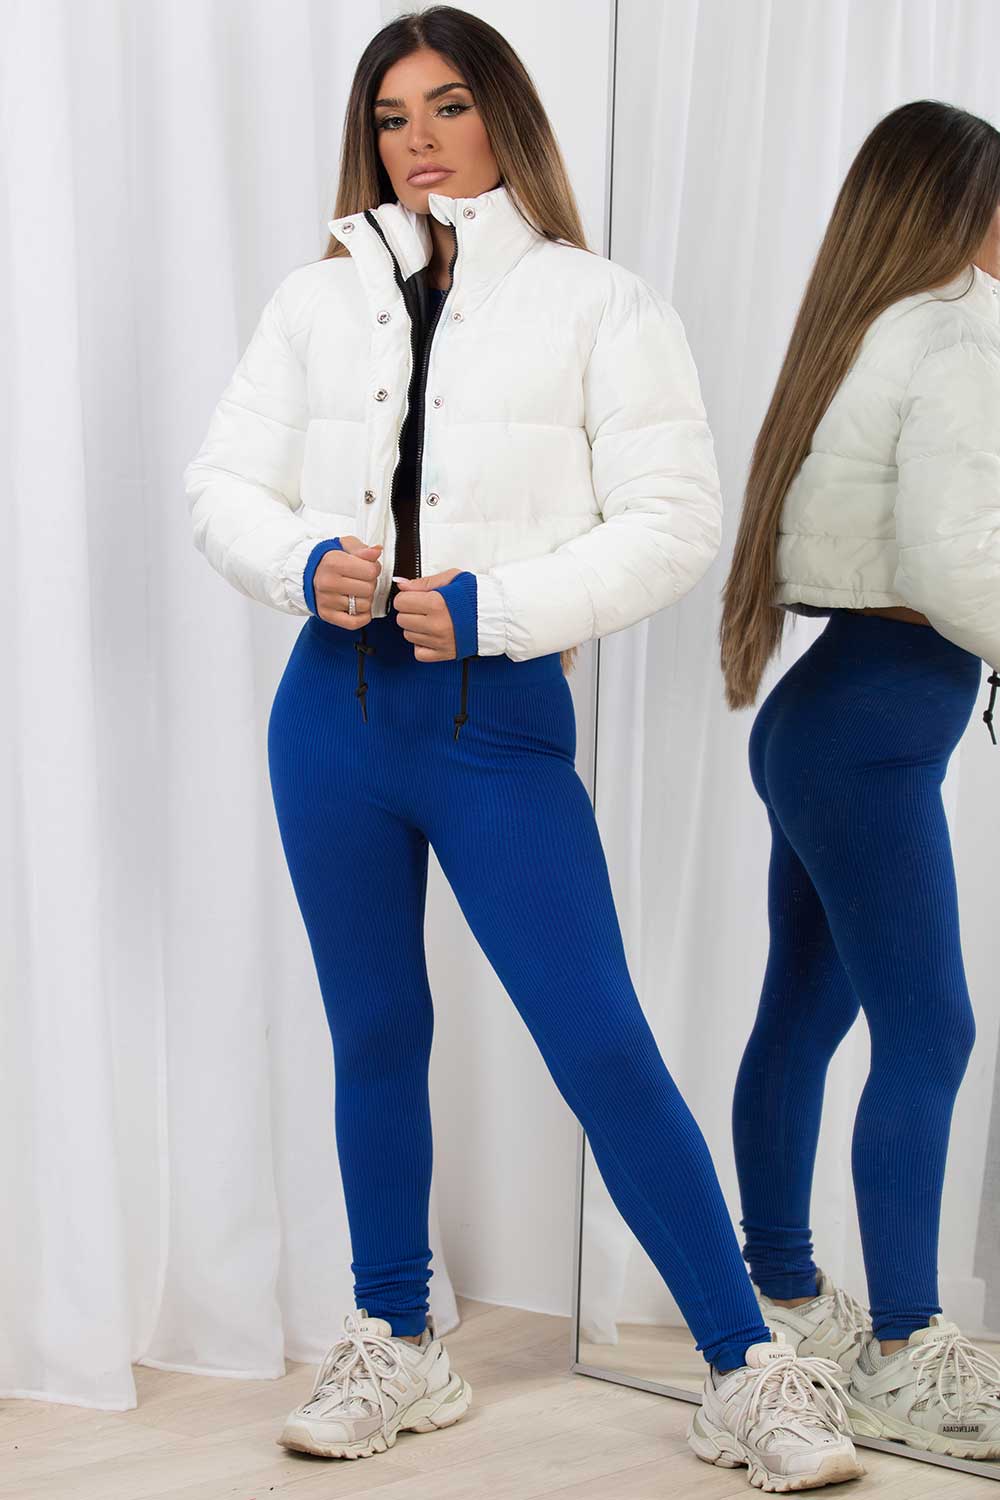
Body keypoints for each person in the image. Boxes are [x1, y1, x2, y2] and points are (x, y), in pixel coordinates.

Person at [184, 7, 864, 1491]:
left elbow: (673, 523)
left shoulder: (601, 304)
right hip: (331, 717)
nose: (417, 141)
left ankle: (745, 1365)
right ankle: (396, 1338)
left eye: (447, 106)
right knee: (374, 1031)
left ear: (504, 116)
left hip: (495, 728)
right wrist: (305, 564)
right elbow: (221, 483)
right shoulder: (315, 300)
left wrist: (496, 608)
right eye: (390, 117)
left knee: (598, 1037)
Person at [719, 98, 1000, 1463]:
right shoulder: (958, 334)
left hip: (825, 719)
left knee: (806, 1014)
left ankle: (781, 1292)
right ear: (968, 211)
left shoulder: (862, 326)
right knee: (931, 1033)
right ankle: (903, 1347)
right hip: (873, 733)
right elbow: (953, 561)